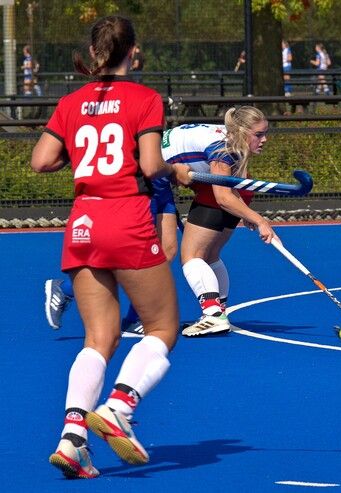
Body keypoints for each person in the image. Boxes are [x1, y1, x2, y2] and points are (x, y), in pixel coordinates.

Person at [30, 15, 191, 479]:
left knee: (98, 338)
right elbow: (149, 163)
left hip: (83, 220)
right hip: (125, 215)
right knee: (162, 328)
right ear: (132, 52)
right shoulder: (144, 98)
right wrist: (174, 171)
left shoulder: (71, 101)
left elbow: (42, 161)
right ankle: (119, 407)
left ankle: (73, 438)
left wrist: (77, 156)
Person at [165, 108, 278, 337]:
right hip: (199, 180)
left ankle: (214, 314)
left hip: (213, 185)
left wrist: (256, 218)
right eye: (259, 134)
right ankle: (218, 310)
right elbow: (229, 193)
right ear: (242, 131)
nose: (264, 139)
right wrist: (252, 216)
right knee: (210, 255)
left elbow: (225, 197)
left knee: (193, 256)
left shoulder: (225, 146)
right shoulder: (223, 147)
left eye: (265, 133)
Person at [44, 173, 181, 336]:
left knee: (167, 250)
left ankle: (132, 319)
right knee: (126, 256)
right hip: (138, 185)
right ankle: (66, 289)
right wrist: (171, 169)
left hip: (161, 183)